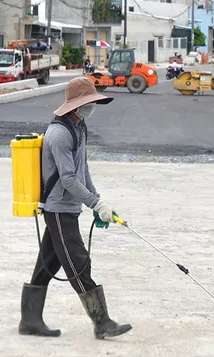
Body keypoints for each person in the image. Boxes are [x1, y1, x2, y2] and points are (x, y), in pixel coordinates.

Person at [18, 77, 132, 341]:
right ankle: (102, 323)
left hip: (68, 206)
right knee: (77, 264)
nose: (92, 107)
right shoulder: (59, 134)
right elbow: (68, 178)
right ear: (75, 105)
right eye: (88, 103)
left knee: (48, 262)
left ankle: (30, 320)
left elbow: (83, 169)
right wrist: (93, 202)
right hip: (58, 208)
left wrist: (97, 200)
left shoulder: (79, 127)